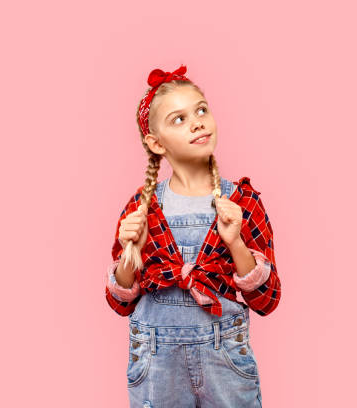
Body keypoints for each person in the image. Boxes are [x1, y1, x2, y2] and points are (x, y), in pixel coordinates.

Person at [104, 64, 281, 407]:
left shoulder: (242, 202)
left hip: (224, 358)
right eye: (179, 119)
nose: (197, 121)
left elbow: (267, 300)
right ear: (155, 143)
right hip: (157, 363)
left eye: (201, 110)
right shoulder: (142, 208)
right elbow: (119, 303)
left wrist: (236, 243)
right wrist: (131, 253)